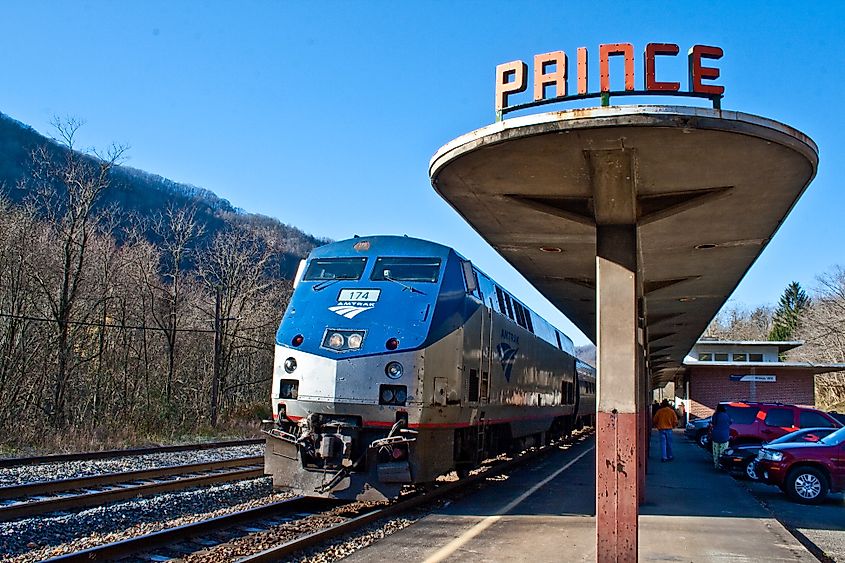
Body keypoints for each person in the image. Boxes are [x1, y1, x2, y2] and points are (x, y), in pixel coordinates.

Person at [711, 403, 732, 469]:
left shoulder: (715, 415)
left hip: (716, 435)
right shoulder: (727, 415)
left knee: (716, 451)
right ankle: (722, 464)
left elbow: (713, 423)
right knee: (723, 451)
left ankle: (716, 465)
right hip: (725, 435)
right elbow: (730, 422)